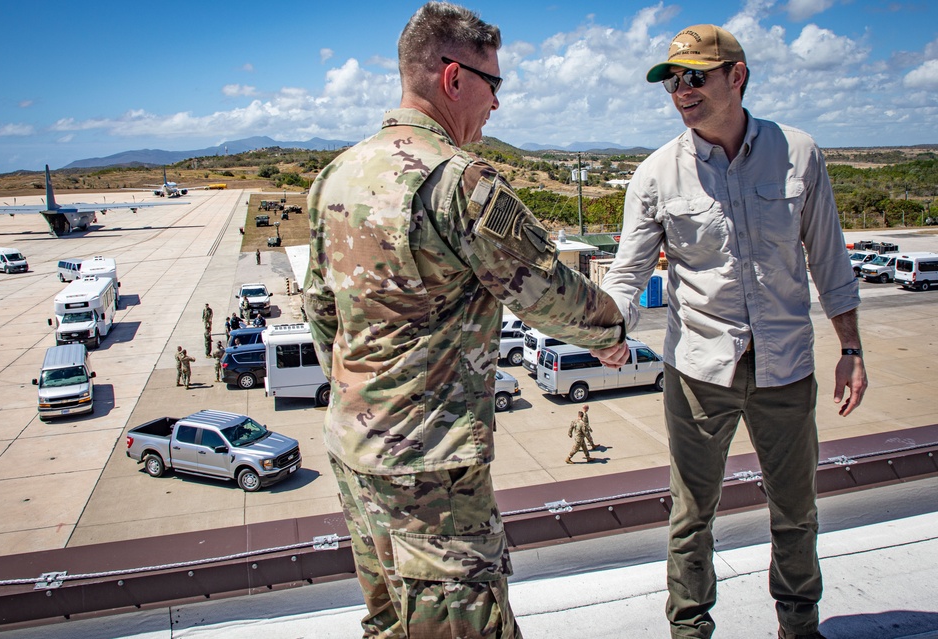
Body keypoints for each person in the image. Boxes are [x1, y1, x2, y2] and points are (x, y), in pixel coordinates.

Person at [303, 3, 625, 637]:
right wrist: (613, 329)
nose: (497, 105)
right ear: (453, 79)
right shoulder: (457, 180)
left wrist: (366, 397)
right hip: (431, 470)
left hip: (355, 454)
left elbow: (320, 311)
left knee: (391, 624)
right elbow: (543, 291)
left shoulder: (334, 176)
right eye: (493, 85)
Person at [596, 24, 867, 639]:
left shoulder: (799, 154)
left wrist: (851, 349)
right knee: (691, 517)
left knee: (796, 512)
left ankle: (799, 628)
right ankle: (690, 629)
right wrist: (608, 329)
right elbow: (627, 274)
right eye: (671, 80)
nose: (681, 91)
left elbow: (830, 263)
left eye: (695, 76)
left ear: (736, 77)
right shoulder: (656, 174)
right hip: (698, 373)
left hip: (787, 369)